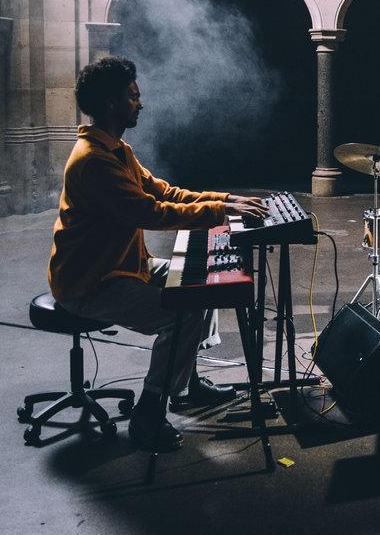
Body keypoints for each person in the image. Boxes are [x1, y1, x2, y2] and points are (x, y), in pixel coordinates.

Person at [47, 57, 268, 451]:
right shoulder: (93, 161)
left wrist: (227, 199)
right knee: (180, 314)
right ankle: (149, 413)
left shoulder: (116, 150)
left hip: (126, 268)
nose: (140, 102)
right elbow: (151, 212)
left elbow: (164, 191)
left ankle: (189, 384)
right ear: (112, 103)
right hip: (90, 284)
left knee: (204, 282)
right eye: (133, 96)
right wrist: (221, 212)